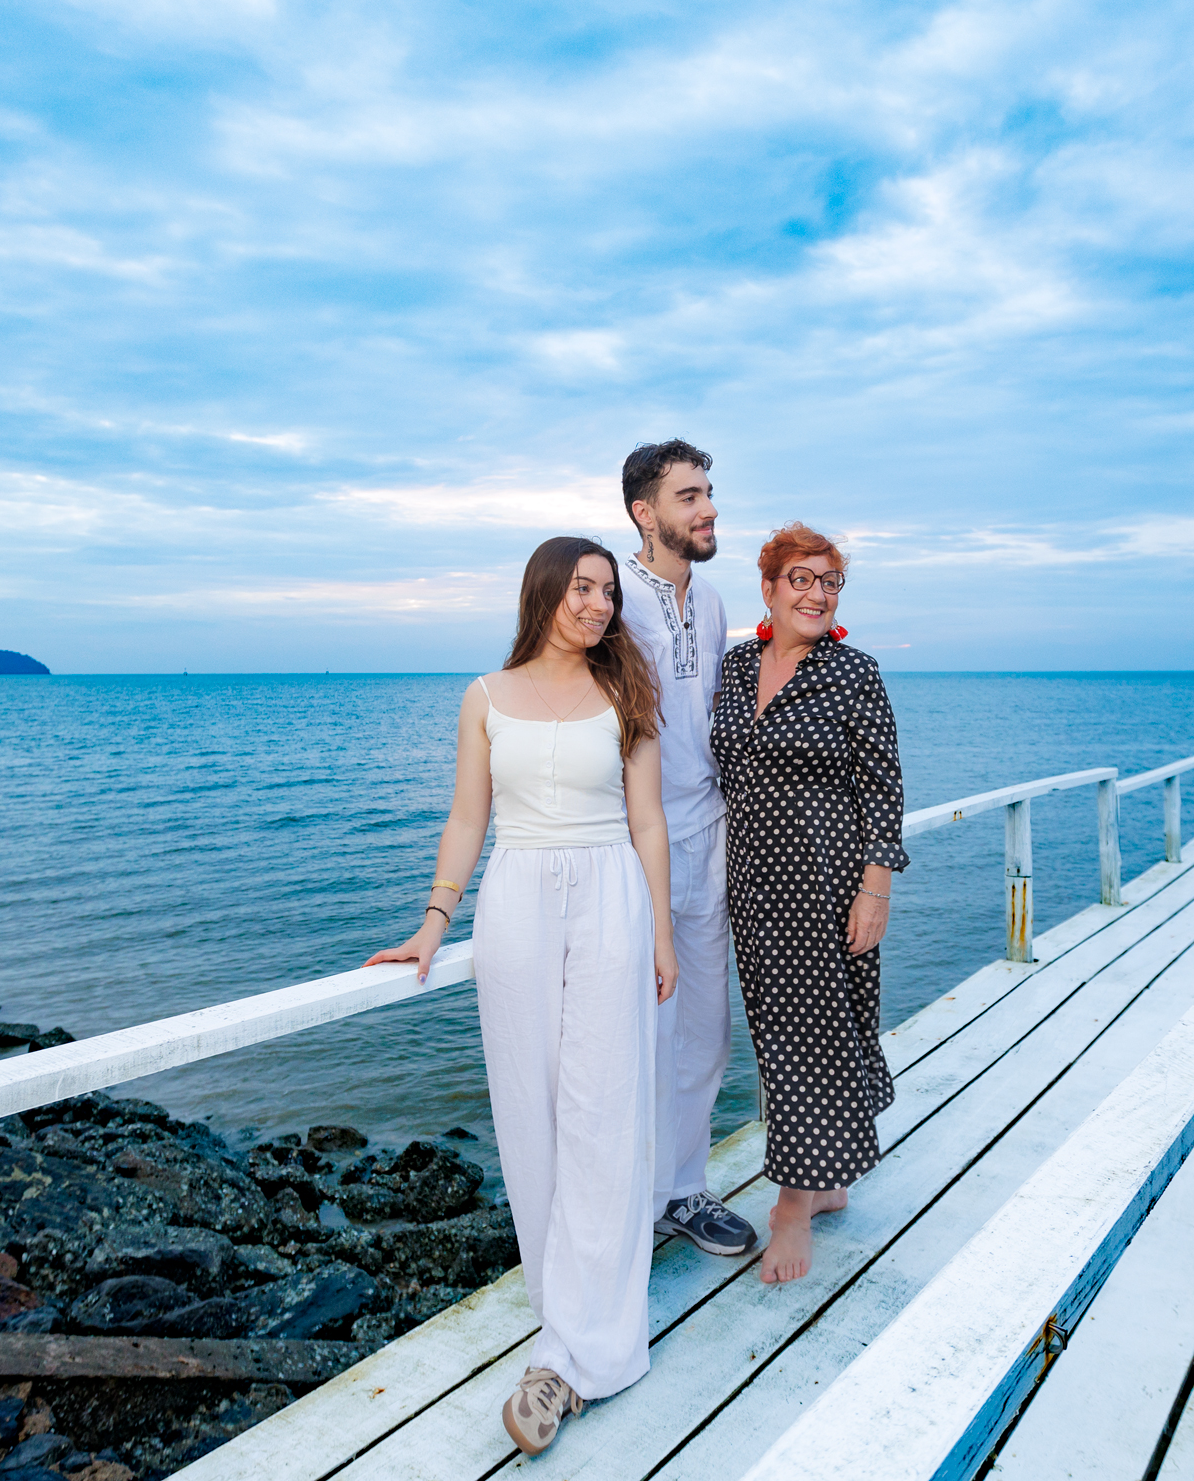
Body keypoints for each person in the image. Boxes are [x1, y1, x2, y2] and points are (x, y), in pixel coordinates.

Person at [365, 537, 679, 1455]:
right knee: (531, 1113)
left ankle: (579, 1358)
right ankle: (563, 1310)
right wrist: (434, 920)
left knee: (604, 1114)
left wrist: (661, 930)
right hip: (514, 904)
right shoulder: (485, 697)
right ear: (544, 589)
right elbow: (470, 816)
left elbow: (648, 819)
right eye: (583, 587)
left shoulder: (627, 691)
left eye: (608, 593)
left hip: (612, 898)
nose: (597, 605)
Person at [709, 523, 908, 1285]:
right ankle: (826, 1181)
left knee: (818, 1037)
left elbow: (884, 788)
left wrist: (875, 887)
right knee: (779, 1033)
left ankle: (793, 1200)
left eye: (830, 582)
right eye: (803, 578)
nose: (818, 593)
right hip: (753, 885)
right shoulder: (733, 669)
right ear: (768, 588)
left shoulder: (854, 674)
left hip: (825, 884)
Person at [617, 440, 760, 1259]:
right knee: (636, 1031)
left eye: (709, 494)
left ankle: (683, 1191)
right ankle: (625, 1210)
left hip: (709, 837)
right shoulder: (612, 596)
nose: (708, 510)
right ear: (646, 511)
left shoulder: (709, 602)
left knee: (705, 1029)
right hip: (631, 844)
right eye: (690, 496)